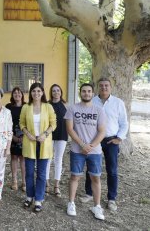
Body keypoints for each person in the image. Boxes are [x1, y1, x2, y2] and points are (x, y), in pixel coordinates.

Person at [81, 77, 128, 211]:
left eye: (106, 85)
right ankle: (89, 193)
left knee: (112, 170)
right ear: (97, 87)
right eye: (101, 85)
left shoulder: (118, 103)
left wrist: (119, 138)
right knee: (91, 167)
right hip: (94, 139)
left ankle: (111, 199)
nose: (104, 88)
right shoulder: (92, 101)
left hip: (111, 140)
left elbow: (124, 123)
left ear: (110, 87)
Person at [65, 83, 106, 220]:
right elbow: (70, 129)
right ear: (80, 93)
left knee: (95, 178)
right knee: (75, 177)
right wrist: (83, 145)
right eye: (84, 91)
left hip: (95, 152)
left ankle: (97, 206)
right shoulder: (72, 108)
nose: (86, 93)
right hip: (77, 150)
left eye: (89, 91)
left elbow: (102, 131)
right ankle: (71, 203)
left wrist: (91, 146)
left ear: (93, 93)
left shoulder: (99, 110)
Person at [20, 82, 56, 213]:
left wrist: (45, 134)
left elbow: (53, 124)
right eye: (34, 91)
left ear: (42, 93)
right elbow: (21, 123)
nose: (36, 93)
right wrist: (28, 133)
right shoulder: (26, 107)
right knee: (29, 173)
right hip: (29, 143)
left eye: (39, 91)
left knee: (41, 174)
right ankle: (29, 196)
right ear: (30, 93)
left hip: (44, 143)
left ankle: (39, 199)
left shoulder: (48, 107)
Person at [45, 84, 68, 197]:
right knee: (48, 158)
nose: (56, 92)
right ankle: (47, 183)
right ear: (51, 92)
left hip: (62, 135)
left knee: (58, 159)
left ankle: (56, 186)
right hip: (49, 135)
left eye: (58, 90)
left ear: (61, 92)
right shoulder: (47, 105)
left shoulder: (65, 105)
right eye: (53, 91)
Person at [5, 86, 26, 192]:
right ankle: (14, 181)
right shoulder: (8, 107)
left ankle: (24, 182)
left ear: (22, 94)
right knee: (13, 158)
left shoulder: (27, 106)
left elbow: (30, 123)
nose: (17, 95)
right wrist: (12, 136)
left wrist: (24, 136)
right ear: (12, 95)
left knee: (23, 159)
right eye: (15, 93)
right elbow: (5, 123)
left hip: (25, 136)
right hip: (11, 135)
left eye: (19, 93)